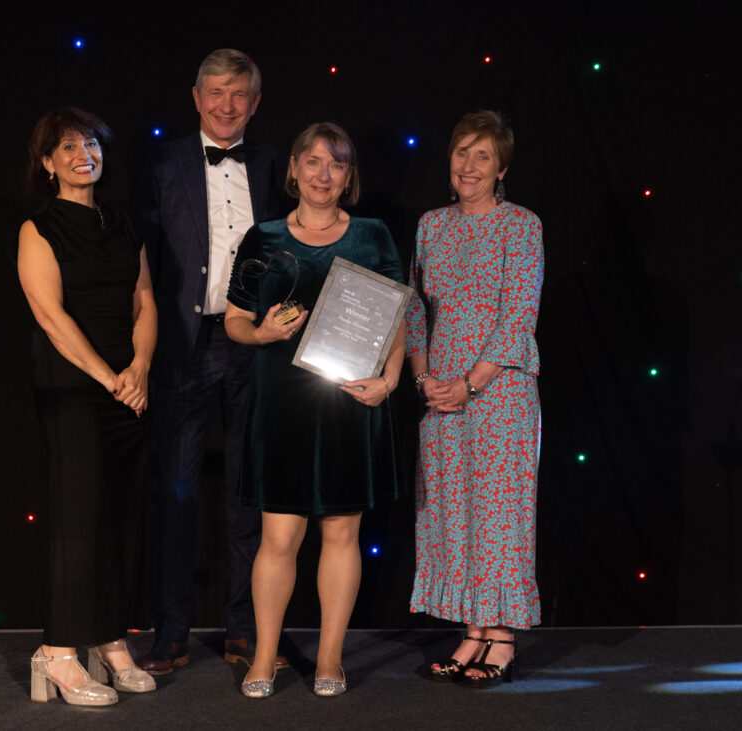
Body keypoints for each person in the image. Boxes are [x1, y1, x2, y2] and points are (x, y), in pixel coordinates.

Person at [224, 122, 406, 698]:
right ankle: (266, 656)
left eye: (338, 165)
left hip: (351, 402)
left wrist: (392, 380)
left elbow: (397, 315)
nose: (325, 175)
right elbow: (234, 320)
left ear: (348, 176)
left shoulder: (373, 234)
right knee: (278, 538)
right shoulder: (264, 235)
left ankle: (330, 659)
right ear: (295, 168)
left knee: (342, 533)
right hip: (282, 405)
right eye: (315, 162)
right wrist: (262, 334)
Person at [137, 49, 289, 676]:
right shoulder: (162, 162)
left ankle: (245, 631)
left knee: (246, 496)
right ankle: (170, 633)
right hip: (182, 342)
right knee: (175, 492)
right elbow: (139, 259)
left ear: (255, 103)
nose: (227, 106)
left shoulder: (281, 165)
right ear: (196, 97)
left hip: (256, 343)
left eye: (239, 95)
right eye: (216, 93)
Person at [17, 108, 158, 706]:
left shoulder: (124, 225)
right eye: (68, 146)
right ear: (48, 162)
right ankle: (58, 653)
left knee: (120, 516)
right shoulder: (38, 226)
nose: (84, 154)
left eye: (92, 143)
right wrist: (108, 377)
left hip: (129, 385)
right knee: (78, 520)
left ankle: (109, 638)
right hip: (75, 386)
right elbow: (50, 317)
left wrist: (140, 370)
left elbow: (145, 301)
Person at [407, 110, 543, 688]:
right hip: (440, 394)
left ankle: (502, 638)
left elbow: (518, 317)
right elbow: (414, 309)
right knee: (453, 510)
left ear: (502, 167)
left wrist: (471, 382)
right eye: (462, 152)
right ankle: (472, 632)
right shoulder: (431, 225)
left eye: (482, 155)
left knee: (500, 513)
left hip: (501, 392)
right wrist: (424, 378)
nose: (469, 165)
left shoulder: (522, 226)